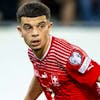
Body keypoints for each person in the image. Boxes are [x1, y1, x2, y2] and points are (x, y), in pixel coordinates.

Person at [16, 1, 100, 100]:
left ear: (49, 27)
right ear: (20, 31)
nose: (35, 33)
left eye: (41, 26)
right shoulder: (32, 52)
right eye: (28, 27)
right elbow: (41, 74)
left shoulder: (67, 56)